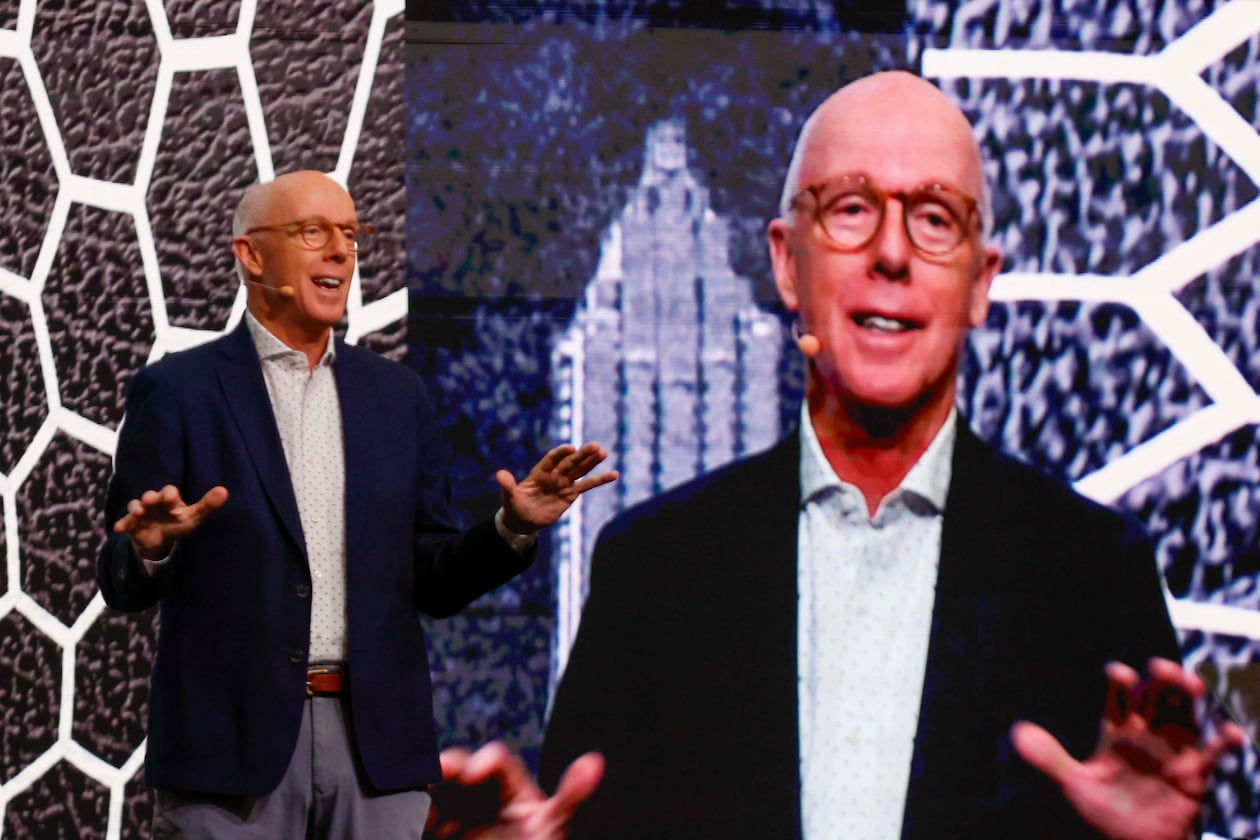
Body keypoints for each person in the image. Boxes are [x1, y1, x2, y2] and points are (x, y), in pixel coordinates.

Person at [430, 71, 1245, 840]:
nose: (891, 253)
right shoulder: (653, 565)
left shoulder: (1094, 571)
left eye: (934, 219)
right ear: (787, 263)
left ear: (980, 282)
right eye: (852, 209)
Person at [96, 170, 617, 839]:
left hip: (377, 751)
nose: (341, 252)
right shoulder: (177, 392)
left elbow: (430, 578)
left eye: (351, 234)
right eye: (314, 232)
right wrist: (149, 546)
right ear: (250, 254)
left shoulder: (396, 396)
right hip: (231, 754)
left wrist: (511, 527)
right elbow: (118, 583)